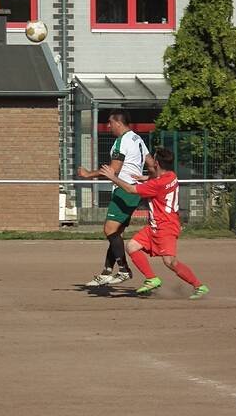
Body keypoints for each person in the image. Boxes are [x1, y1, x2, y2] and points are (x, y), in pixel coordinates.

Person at [99, 148, 210, 300]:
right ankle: (151, 278)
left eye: (153, 160)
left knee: (170, 262)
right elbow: (158, 180)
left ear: (157, 163)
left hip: (166, 227)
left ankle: (199, 286)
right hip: (155, 226)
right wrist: (146, 178)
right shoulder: (171, 176)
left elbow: (131, 189)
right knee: (132, 246)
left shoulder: (156, 184)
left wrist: (113, 177)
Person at [77, 109, 155, 287]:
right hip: (134, 191)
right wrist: (147, 179)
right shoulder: (138, 139)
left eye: (110, 123)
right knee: (116, 233)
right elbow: (151, 165)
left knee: (109, 230)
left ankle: (124, 269)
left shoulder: (122, 141)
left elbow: (114, 170)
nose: (108, 126)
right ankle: (106, 271)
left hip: (124, 191)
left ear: (118, 123)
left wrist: (88, 174)